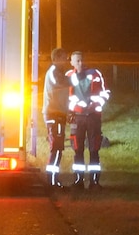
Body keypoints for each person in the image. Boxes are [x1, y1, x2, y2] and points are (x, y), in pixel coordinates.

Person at [66, 50, 110, 190]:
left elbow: (105, 93)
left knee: (94, 149)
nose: (80, 63)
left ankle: (94, 182)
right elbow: (65, 97)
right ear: (71, 62)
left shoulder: (95, 74)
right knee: (78, 150)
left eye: (81, 60)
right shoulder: (68, 76)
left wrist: (94, 105)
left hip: (93, 117)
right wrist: (72, 109)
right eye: (77, 61)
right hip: (77, 118)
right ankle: (78, 181)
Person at [41, 47, 70, 188]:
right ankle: (52, 181)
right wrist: (77, 79)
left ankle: (53, 180)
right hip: (54, 114)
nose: (66, 60)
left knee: (58, 148)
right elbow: (63, 83)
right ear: (56, 58)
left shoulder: (58, 72)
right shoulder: (54, 72)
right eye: (64, 57)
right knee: (56, 148)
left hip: (59, 114)